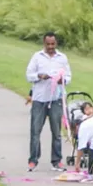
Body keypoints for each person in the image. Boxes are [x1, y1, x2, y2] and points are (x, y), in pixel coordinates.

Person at [25, 32, 72, 172]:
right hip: (39, 99)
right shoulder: (37, 57)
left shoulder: (62, 58)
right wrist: (39, 76)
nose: (50, 47)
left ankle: (56, 161)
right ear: (44, 43)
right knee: (35, 131)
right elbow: (29, 75)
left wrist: (62, 80)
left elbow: (68, 76)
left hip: (56, 99)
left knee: (56, 131)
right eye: (48, 44)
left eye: (53, 44)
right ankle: (33, 160)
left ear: (56, 43)